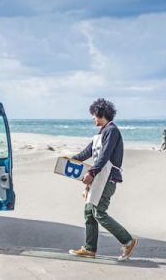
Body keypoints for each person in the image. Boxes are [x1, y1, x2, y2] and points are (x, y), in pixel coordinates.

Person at [68, 98, 137, 261]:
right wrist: (70, 159)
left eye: (94, 115)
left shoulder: (112, 131)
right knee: (88, 212)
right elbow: (87, 152)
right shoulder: (101, 133)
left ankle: (128, 241)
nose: (93, 118)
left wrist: (91, 172)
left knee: (98, 212)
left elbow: (105, 156)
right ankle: (90, 249)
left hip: (108, 178)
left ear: (102, 113)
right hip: (99, 177)